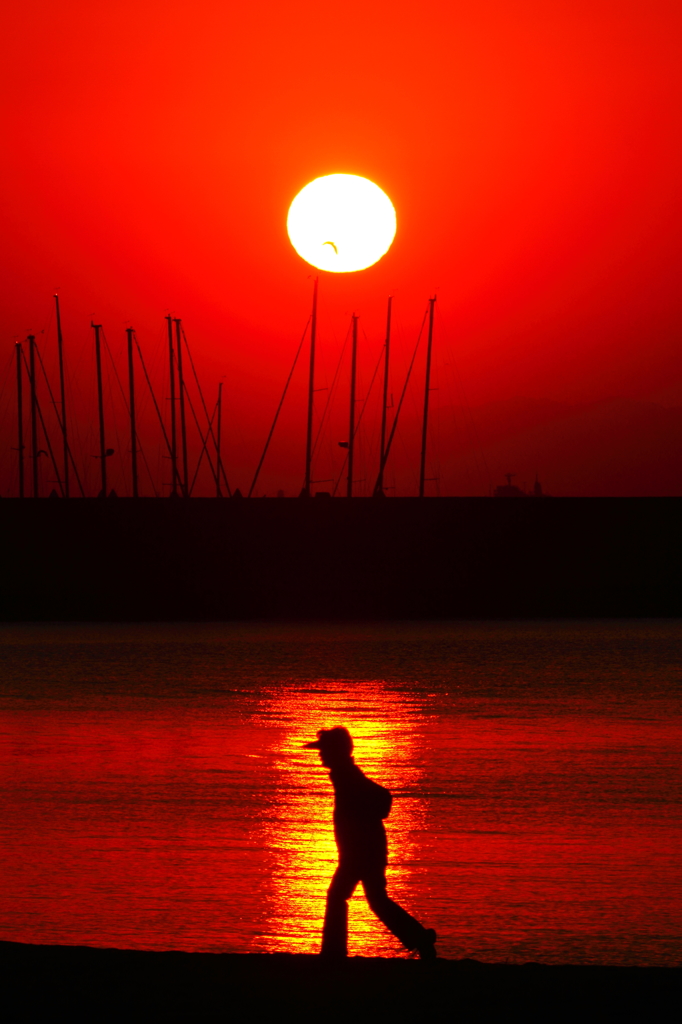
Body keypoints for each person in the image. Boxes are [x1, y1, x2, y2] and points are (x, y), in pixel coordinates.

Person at [303, 726, 437, 959]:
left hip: (361, 852)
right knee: (375, 900)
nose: (320, 755)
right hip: (363, 851)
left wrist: (360, 827)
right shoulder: (344, 775)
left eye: (324, 750)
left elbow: (382, 798)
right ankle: (420, 939)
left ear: (337, 751)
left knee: (339, 896)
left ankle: (333, 953)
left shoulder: (348, 775)